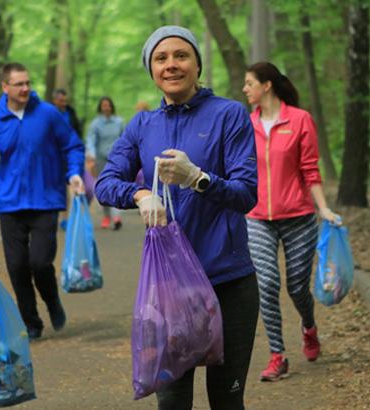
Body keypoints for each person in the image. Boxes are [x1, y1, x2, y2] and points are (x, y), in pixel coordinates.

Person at [95, 26, 259, 409]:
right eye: (161, 58)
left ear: (197, 63)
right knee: (172, 403)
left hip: (228, 282)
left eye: (181, 56)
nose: (171, 65)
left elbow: (246, 194)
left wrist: (198, 179)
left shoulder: (229, 115)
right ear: (151, 70)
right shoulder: (142, 125)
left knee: (227, 400)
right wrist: (140, 193)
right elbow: (105, 183)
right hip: (169, 288)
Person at [0, 63, 85, 340]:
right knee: (18, 267)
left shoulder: (47, 114)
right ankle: (31, 322)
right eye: (18, 84)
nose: (25, 88)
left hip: (45, 200)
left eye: (27, 83)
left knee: (40, 263)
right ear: (5, 87)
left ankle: (52, 300)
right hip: (11, 204)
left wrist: (74, 173)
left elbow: (72, 145)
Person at [242, 61, 341, 382]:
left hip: (299, 217)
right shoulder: (246, 125)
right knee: (267, 283)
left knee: (298, 287)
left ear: (266, 85)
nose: (245, 89)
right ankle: (277, 355)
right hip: (257, 218)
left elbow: (311, 169)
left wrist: (323, 208)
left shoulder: (300, 120)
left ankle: (309, 328)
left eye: (249, 83)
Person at [86, 96, 126, 230]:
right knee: (103, 187)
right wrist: (91, 154)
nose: (106, 107)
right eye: (103, 105)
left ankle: (116, 216)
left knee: (115, 185)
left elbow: (125, 138)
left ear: (111, 107)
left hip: (116, 158)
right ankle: (106, 216)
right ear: (100, 107)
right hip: (101, 158)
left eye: (108, 105)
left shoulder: (119, 122)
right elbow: (91, 140)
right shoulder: (96, 123)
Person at [52, 88, 83, 231]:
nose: (63, 102)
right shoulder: (50, 113)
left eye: (65, 100)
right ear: (55, 100)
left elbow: (76, 131)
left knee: (70, 185)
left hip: (68, 154)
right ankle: (57, 216)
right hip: (54, 155)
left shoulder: (70, 112)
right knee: (57, 186)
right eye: (60, 100)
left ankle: (67, 218)